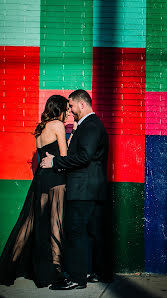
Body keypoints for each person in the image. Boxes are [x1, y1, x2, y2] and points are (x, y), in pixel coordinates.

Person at [40, 89, 110, 290]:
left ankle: (77, 278)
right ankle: (100, 272)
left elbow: (84, 157)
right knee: (94, 233)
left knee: (75, 232)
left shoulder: (90, 125)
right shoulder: (91, 125)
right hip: (92, 188)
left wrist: (56, 161)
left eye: (71, 105)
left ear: (82, 104)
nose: (69, 110)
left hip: (83, 189)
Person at [0, 95, 69, 287]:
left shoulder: (40, 129)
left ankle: (9, 266)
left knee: (29, 224)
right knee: (56, 224)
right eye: (66, 108)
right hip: (56, 179)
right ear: (60, 108)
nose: (67, 113)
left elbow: (42, 157)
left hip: (40, 179)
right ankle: (56, 270)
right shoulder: (58, 125)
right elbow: (63, 157)